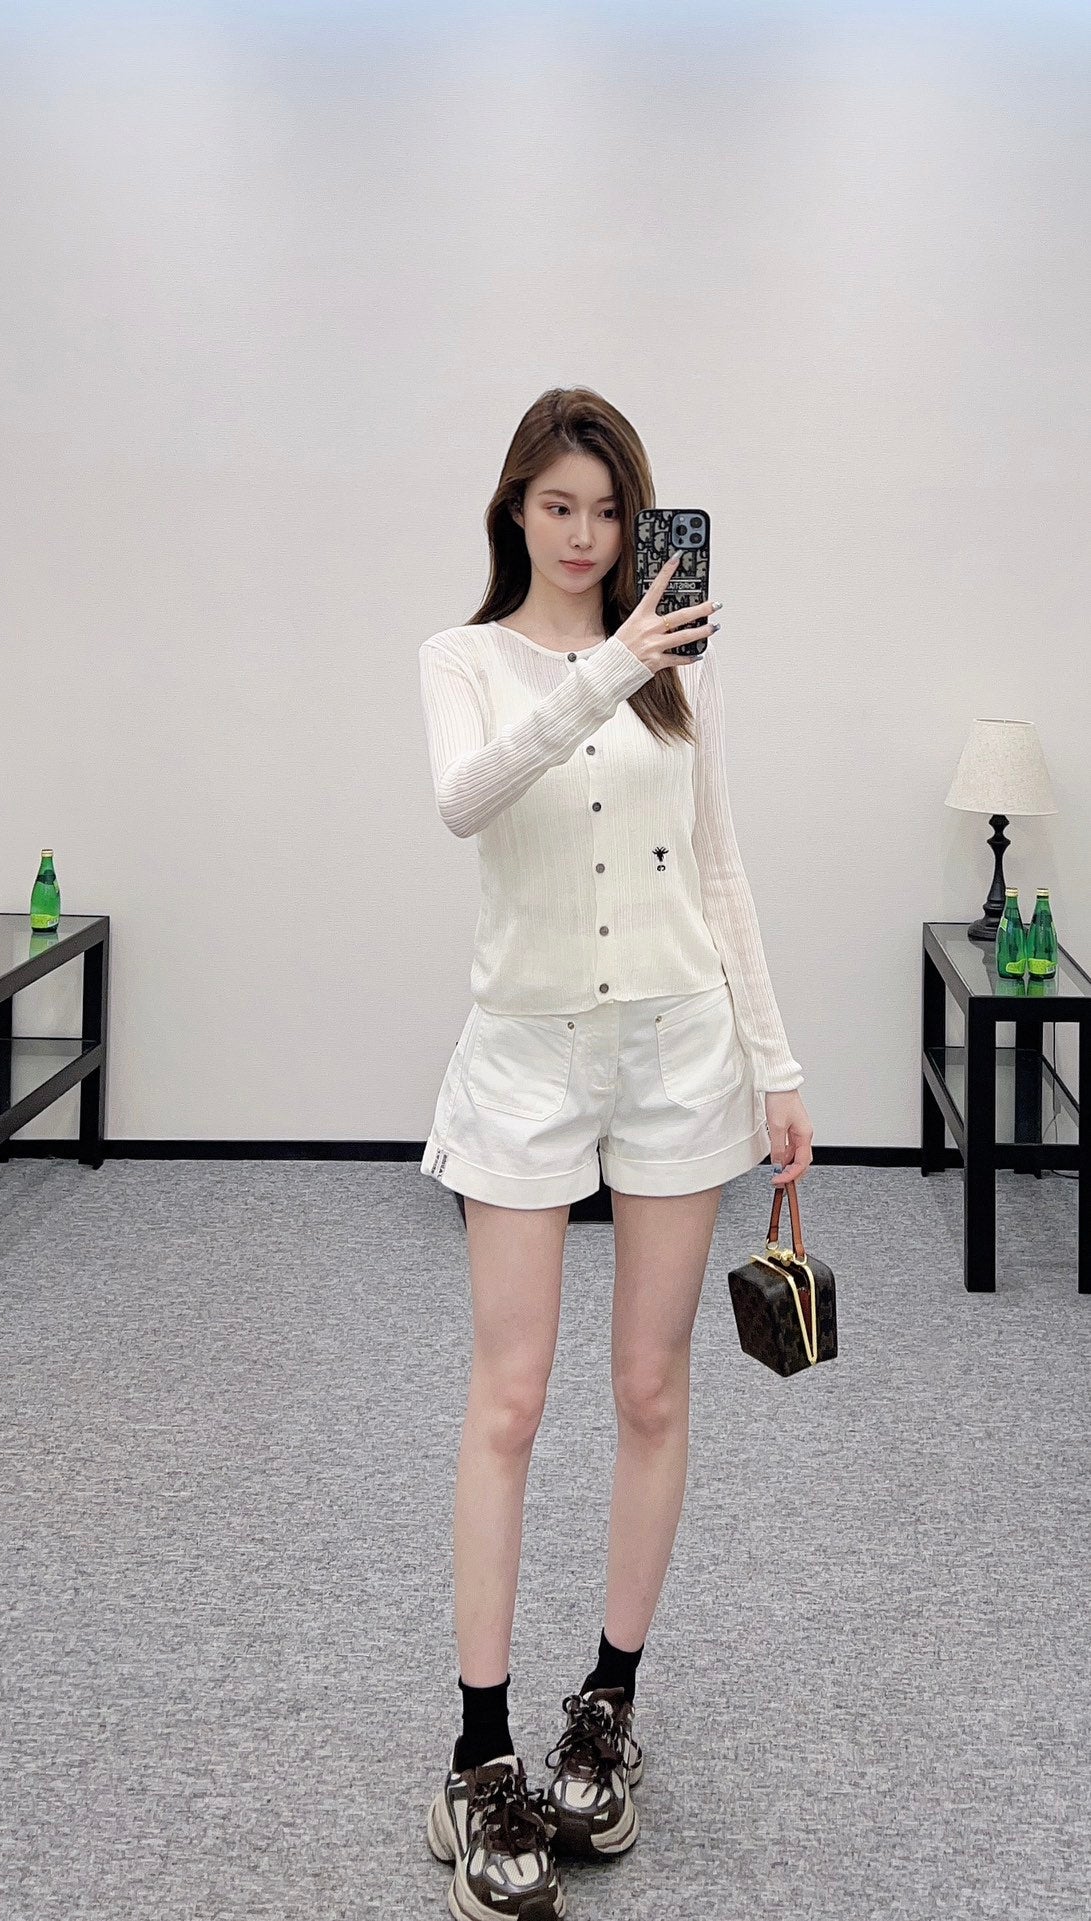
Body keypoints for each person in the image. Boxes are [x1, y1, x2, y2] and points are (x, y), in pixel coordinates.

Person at [418, 386, 813, 1920]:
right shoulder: (465, 662)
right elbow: (467, 797)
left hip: (676, 1046)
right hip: (524, 1052)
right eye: (559, 506)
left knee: (650, 1386)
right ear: (515, 510)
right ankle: (480, 1753)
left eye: (608, 510)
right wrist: (610, 664)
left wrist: (776, 1065)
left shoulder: (676, 667)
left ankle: (607, 1704)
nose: (584, 536)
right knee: (509, 1396)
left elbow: (719, 865)